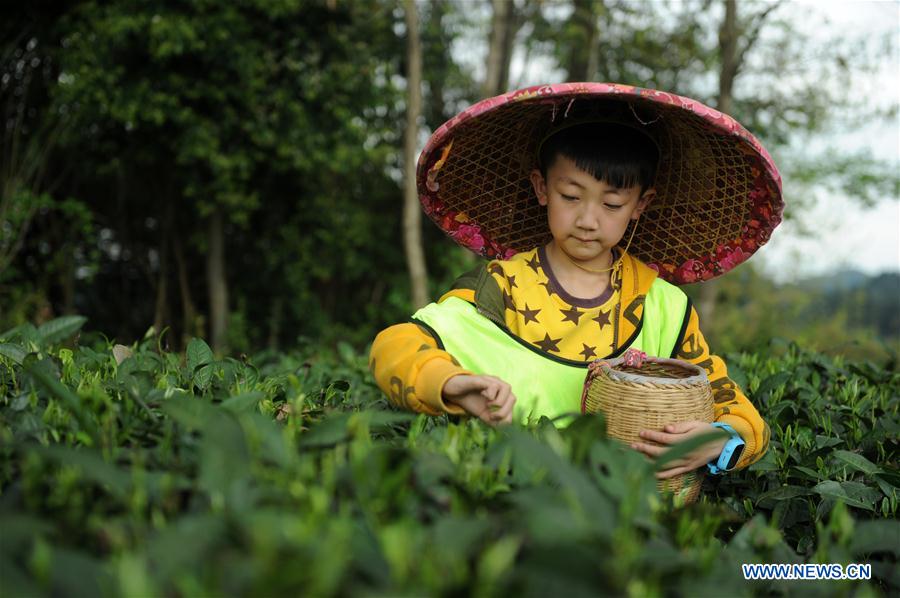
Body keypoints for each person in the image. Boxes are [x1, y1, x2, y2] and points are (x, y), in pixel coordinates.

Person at [369, 83, 782, 477]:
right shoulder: (501, 288)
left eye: (612, 203)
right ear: (541, 187)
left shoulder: (662, 308)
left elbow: (730, 405)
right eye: (571, 196)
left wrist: (718, 440)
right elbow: (397, 345)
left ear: (641, 204)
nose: (588, 220)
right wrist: (451, 384)